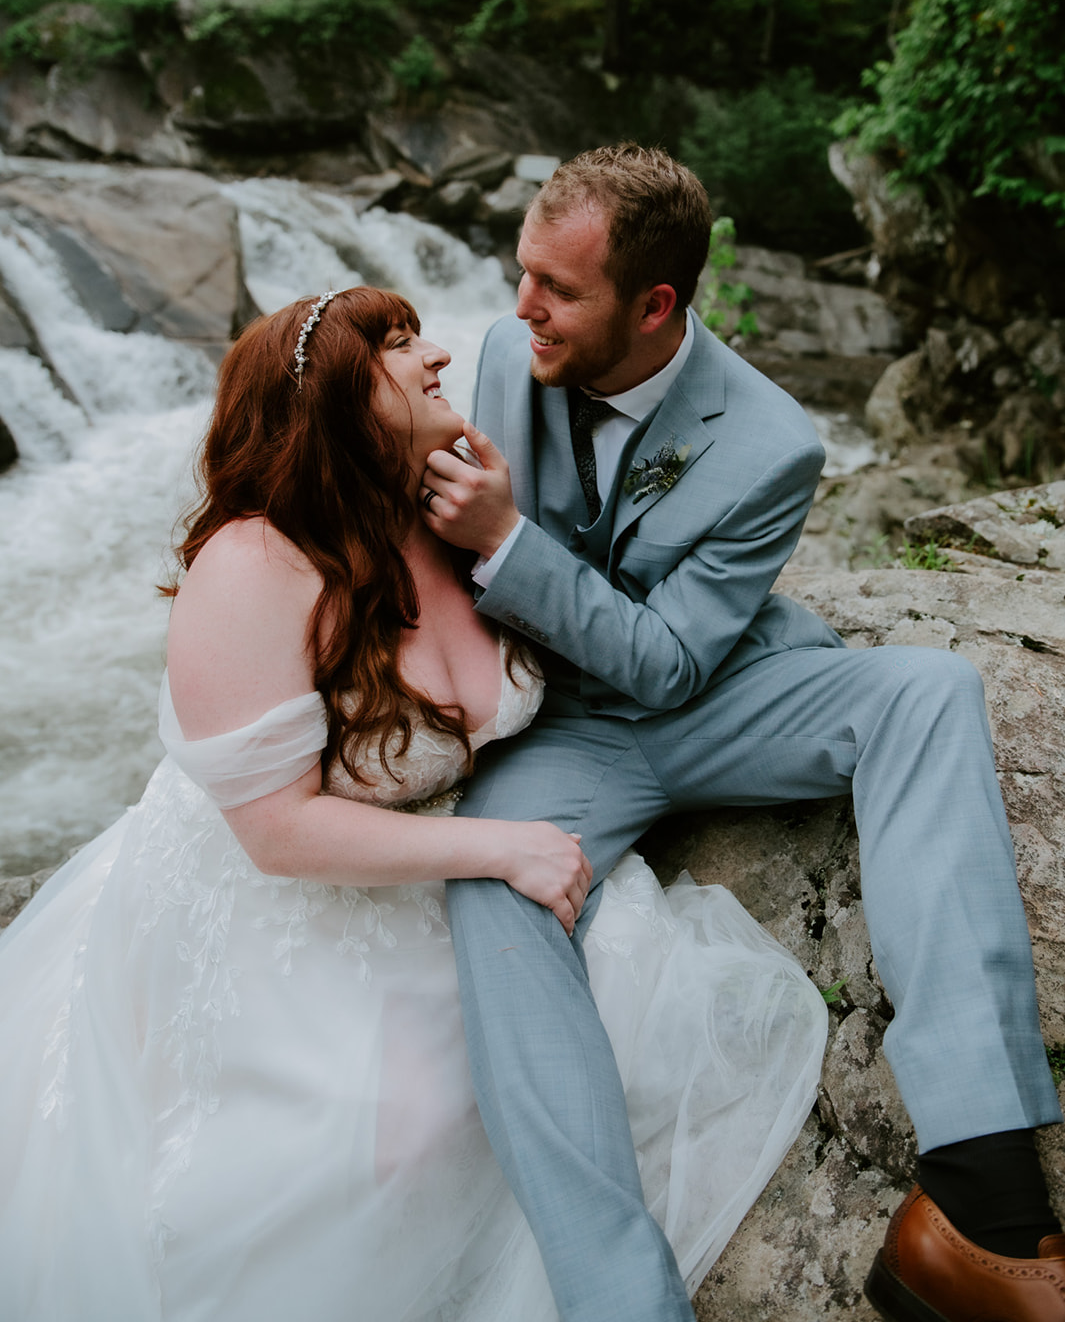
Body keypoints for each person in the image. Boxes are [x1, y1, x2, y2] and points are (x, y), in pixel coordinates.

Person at [0, 285, 827, 1321]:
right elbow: (274, 831)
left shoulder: (454, 511)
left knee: (617, 1036)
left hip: (440, 869)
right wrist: (505, 847)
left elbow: (612, 623)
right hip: (279, 909)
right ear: (337, 397)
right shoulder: (253, 563)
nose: (437, 353)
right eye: (397, 345)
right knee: (371, 1139)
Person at [418, 143, 1065, 1322]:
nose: (520, 309)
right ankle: (620, 1298)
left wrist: (512, 545)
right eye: (521, 274)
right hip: (559, 734)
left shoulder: (774, 441)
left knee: (926, 691)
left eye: (558, 289)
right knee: (489, 884)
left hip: (707, 696)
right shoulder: (511, 354)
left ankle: (982, 1199)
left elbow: (668, 664)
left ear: (656, 304)